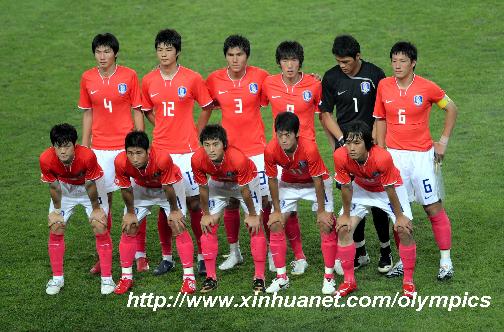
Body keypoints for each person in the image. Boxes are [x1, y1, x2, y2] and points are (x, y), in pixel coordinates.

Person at [206, 35, 305, 275]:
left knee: (270, 203)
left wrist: (313, 79)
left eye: (239, 54)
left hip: (258, 153)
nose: (235, 59)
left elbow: (285, 84)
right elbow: (204, 105)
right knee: (230, 201)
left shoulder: (260, 77)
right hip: (227, 153)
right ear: (225, 57)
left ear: (247, 56)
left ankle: (274, 252)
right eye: (230, 55)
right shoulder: (213, 80)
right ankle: (234, 252)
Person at [374, 41, 458, 280]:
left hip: (422, 157)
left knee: (432, 207)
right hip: (395, 158)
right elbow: (380, 118)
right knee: (398, 212)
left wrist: (442, 141)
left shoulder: (427, 87)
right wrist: (381, 150)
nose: (397, 65)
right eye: (394, 61)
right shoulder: (384, 86)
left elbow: (452, 108)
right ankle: (403, 260)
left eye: (402, 61)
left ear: (413, 63)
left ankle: (445, 261)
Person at [141, 29, 214, 276]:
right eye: (160, 49)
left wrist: (197, 131)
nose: (164, 54)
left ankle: (203, 257)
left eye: (168, 49)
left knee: (194, 204)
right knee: (165, 205)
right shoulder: (149, 80)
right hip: (161, 151)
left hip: (188, 152)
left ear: (177, 52)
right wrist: (160, 124)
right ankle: (167, 257)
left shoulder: (192, 78)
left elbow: (206, 106)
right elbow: (146, 110)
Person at [319, 34, 392, 274]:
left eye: (346, 61)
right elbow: (326, 114)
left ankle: (385, 250)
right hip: (347, 148)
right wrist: (341, 142)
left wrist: (377, 142)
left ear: (358, 57)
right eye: (339, 61)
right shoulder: (331, 78)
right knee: (352, 199)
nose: (342, 66)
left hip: (371, 145)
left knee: (378, 201)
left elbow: (383, 111)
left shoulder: (375, 74)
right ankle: (360, 252)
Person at [78, 33, 146, 275]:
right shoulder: (87, 78)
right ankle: (102, 255)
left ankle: (140, 254)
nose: (102, 56)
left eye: (107, 51)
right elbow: (87, 113)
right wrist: (85, 148)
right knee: (101, 202)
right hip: (99, 149)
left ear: (115, 53)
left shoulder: (129, 76)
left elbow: (137, 110)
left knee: (135, 200)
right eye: (98, 52)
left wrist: (140, 142)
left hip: (125, 148)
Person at [333, 121, 417, 298]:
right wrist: (346, 215)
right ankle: (349, 281)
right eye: (348, 143)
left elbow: (390, 189)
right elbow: (346, 187)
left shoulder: (382, 157)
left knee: (404, 229)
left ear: (367, 143)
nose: (351, 148)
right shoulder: (340, 156)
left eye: (357, 143)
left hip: (388, 191)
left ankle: (408, 282)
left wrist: (400, 216)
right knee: (343, 228)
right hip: (362, 188)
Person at [113, 131, 196, 294]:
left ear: (148, 151)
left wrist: (174, 211)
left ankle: (189, 278)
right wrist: (130, 213)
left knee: (177, 224)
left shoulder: (162, 158)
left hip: (168, 188)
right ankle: (126, 277)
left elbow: (168, 187)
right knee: (129, 227)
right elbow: (126, 189)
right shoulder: (121, 162)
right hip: (142, 189)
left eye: (139, 153)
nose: (134, 158)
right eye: (130, 153)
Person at [264, 112, 336, 295]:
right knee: (274, 223)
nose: (283, 139)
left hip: (315, 183)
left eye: (287, 134)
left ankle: (329, 277)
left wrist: (321, 211)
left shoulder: (309, 148)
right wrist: (277, 210)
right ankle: (281, 278)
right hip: (289, 184)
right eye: (280, 134)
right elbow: (272, 179)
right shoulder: (271, 149)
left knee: (326, 223)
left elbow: (318, 180)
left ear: (296, 134)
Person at [39, 123, 114, 295]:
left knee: (99, 225)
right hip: (65, 189)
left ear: (75, 145)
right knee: (56, 226)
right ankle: (57, 278)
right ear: (53, 147)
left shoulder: (87, 156)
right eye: (59, 147)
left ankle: (107, 278)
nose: (63, 151)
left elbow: (90, 184)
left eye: (67, 146)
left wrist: (96, 209)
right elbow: (54, 187)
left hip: (91, 188)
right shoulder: (45, 159)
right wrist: (57, 212)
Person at [191, 125, 267, 293]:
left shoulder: (237, 158)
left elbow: (244, 190)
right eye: (207, 144)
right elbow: (203, 188)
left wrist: (253, 215)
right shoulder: (197, 159)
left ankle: (259, 277)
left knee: (255, 226)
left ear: (224, 144)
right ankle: (211, 277)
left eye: (215, 144)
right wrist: (205, 214)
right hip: (219, 183)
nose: (211, 149)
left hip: (246, 183)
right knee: (208, 225)